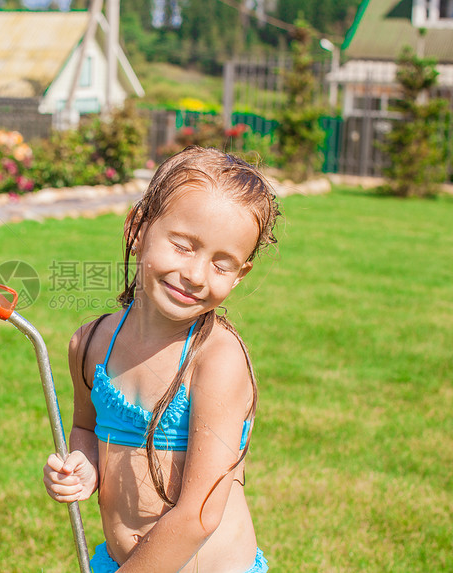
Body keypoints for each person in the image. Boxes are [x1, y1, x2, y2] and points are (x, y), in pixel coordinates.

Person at [43, 146, 279, 572]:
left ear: (241, 274)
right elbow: (85, 428)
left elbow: (199, 515)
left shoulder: (215, 361)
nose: (195, 274)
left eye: (221, 264)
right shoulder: (91, 343)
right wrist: (83, 466)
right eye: (184, 246)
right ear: (138, 227)